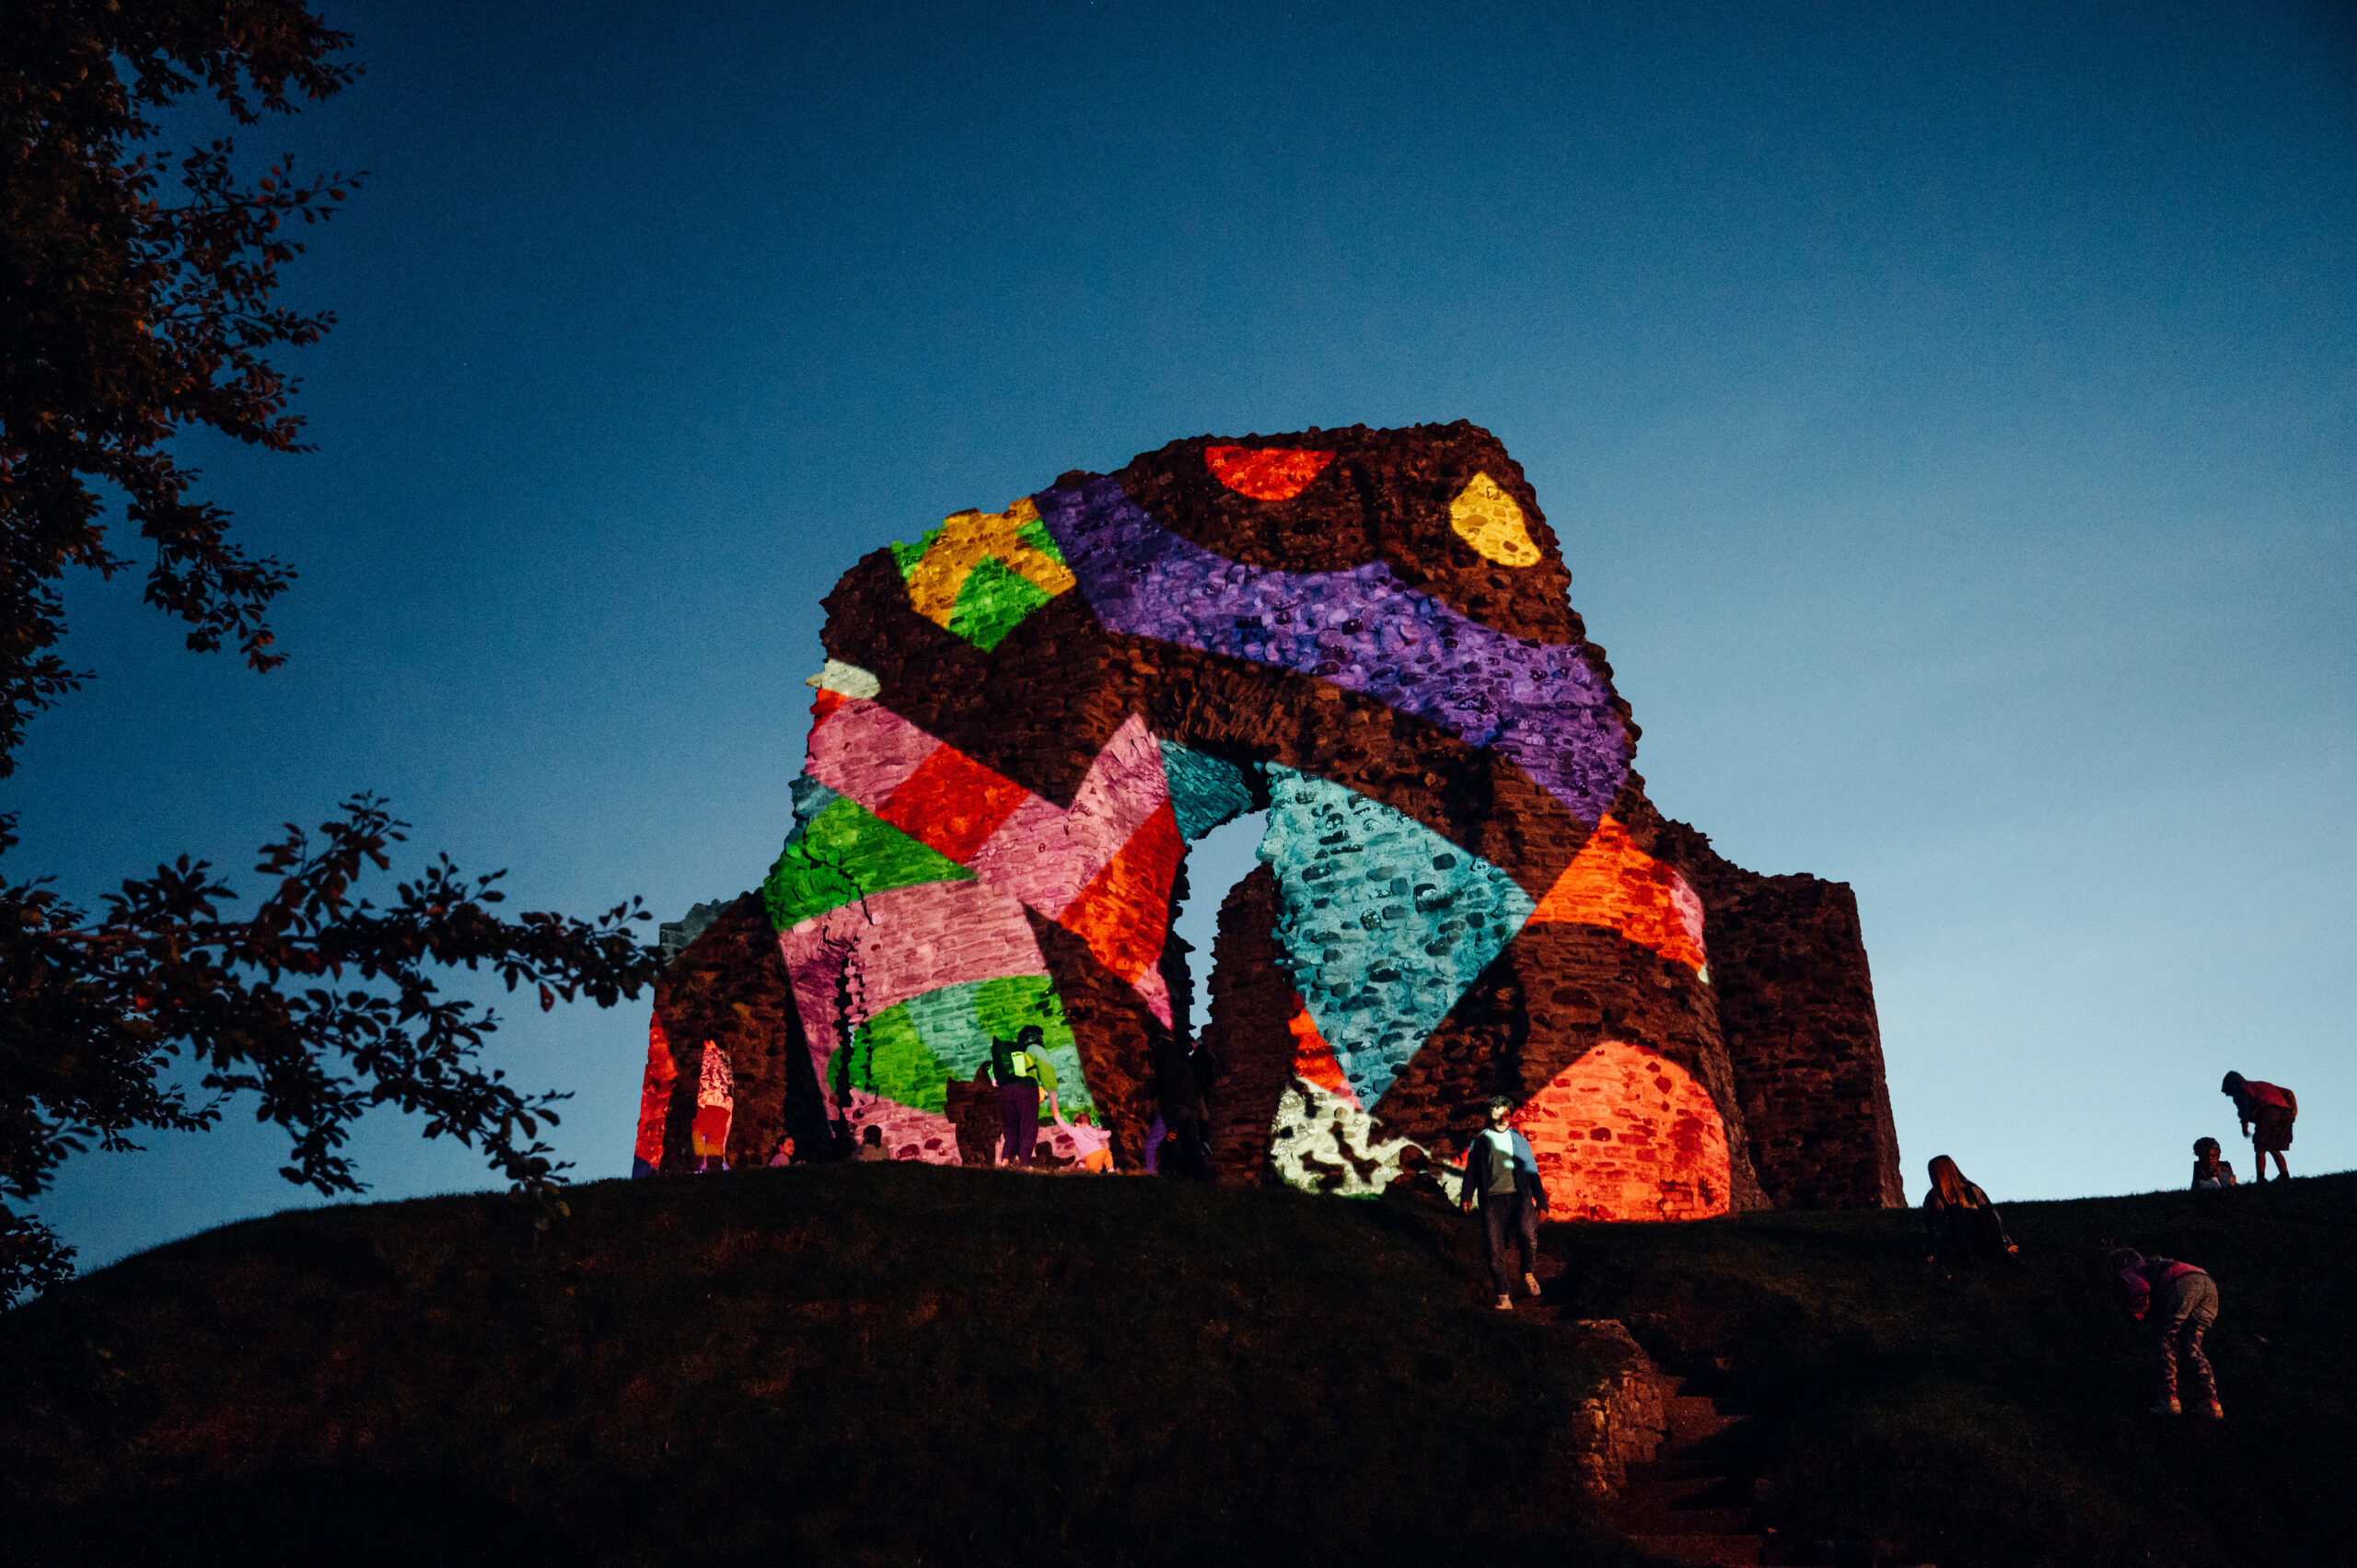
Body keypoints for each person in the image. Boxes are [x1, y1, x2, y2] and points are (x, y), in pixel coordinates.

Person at [2110, 1248, 2223, 1418]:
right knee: (2193, 1347)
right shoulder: (2160, 1264)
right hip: (2208, 1284)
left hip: (2181, 1283)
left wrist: (2136, 1315)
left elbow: (2140, 1288)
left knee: (2166, 1340)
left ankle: (2168, 1400)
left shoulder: (2130, 1271)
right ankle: (2211, 1403)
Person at [1460, 1096, 1549, 1310]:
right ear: (1490, 1115)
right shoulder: (1480, 1142)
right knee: (1494, 1248)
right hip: (1492, 1200)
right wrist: (1466, 1196)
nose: (1502, 1119)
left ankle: (1527, 1274)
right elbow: (1471, 1171)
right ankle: (1503, 1295)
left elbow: (1532, 1172)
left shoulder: (1519, 1140)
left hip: (1520, 1197)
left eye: (1506, 1115)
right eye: (1497, 1115)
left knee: (1529, 1237)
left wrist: (1542, 1202)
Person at [1921, 1156, 2017, 1270]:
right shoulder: (1934, 1198)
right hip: (1956, 1243)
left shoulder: (1970, 1190)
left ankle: (1996, 1255)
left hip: (1975, 1239)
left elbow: (1991, 1218)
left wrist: (2006, 1243)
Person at [989, 1025, 1054, 1167]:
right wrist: (1053, 1101)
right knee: (1028, 1126)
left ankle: (1005, 1161)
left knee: (1011, 1128)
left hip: (1005, 1090)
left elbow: (994, 1077)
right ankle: (1024, 1164)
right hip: (1026, 1088)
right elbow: (1048, 1075)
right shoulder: (1036, 1050)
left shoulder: (1012, 1052)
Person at [2221, 1072, 2297, 1184]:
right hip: (2285, 1114)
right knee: (2274, 1147)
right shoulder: (2263, 1084)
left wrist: (2244, 1128)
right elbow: (2289, 1093)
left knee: (2260, 1148)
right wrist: (2293, 1112)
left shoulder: (2240, 1088)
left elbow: (2243, 1108)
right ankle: (2285, 1175)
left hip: (2266, 1112)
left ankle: (2260, 1178)